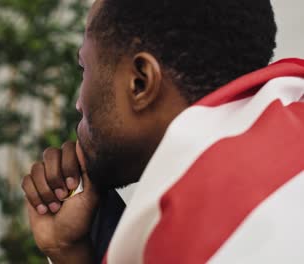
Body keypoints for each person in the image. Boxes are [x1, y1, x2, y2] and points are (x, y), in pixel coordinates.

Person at [21, 0, 304, 263]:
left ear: (140, 82)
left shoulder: (205, 233)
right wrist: (69, 252)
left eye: (85, 69)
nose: (79, 104)